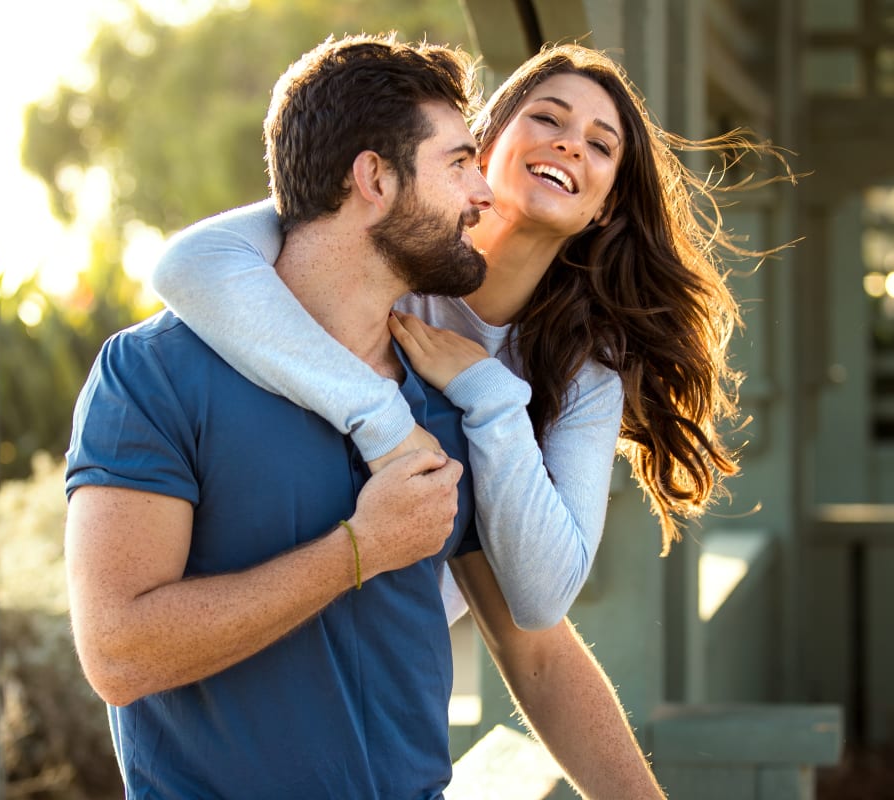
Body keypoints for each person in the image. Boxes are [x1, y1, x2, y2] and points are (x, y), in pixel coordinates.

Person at [66, 34, 665, 799]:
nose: (479, 194)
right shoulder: (157, 373)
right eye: (460, 164)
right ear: (374, 179)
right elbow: (119, 657)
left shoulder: (456, 400)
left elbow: (537, 648)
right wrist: (360, 549)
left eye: (598, 144)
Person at [153, 42, 792, 631]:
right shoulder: (382, 241)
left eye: (601, 146)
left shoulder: (584, 373)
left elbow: (543, 600)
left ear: (603, 206)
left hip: (393, 668)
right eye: (548, 118)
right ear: (479, 146)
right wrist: (383, 421)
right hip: (245, 613)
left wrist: (490, 396)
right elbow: (187, 265)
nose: (571, 145)